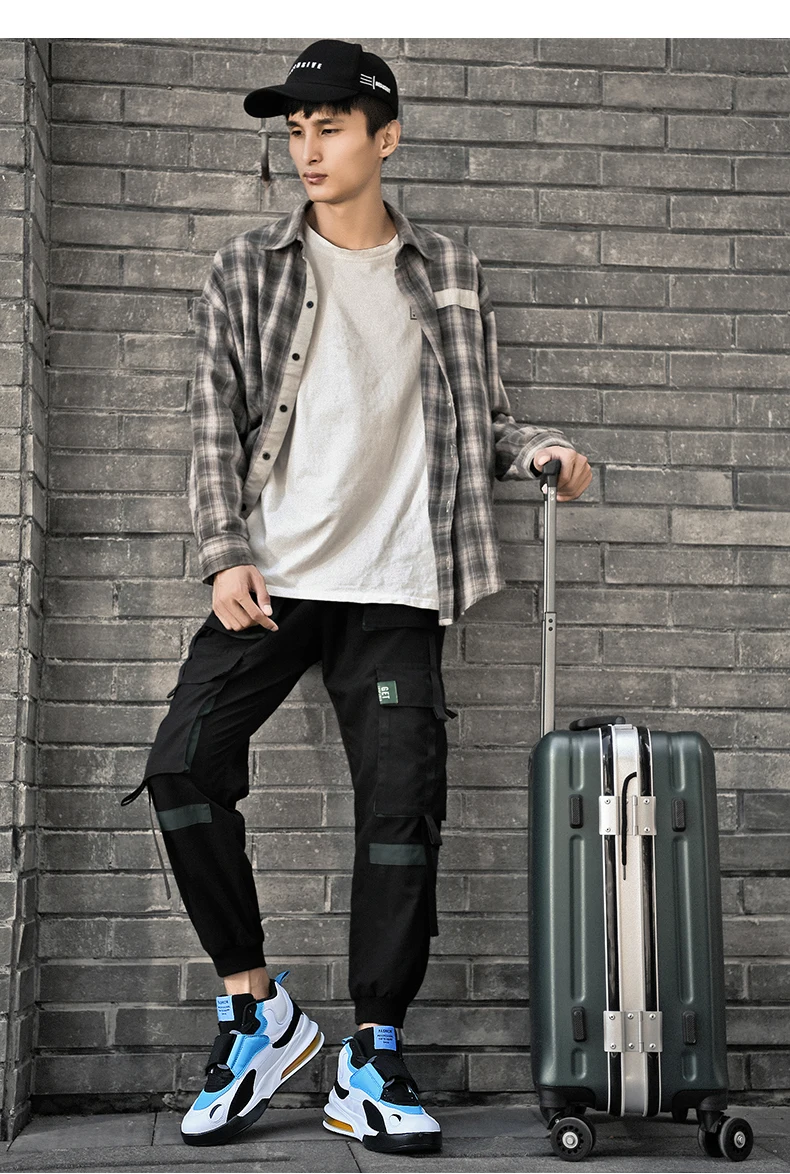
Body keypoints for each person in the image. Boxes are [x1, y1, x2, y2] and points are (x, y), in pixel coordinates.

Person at [121, 38, 591, 1155]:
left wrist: (542, 449)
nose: (308, 148)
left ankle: (372, 1055)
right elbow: (211, 423)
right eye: (296, 129)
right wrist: (223, 551)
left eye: (330, 126)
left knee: (398, 816)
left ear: (387, 138)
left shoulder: (448, 273)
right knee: (182, 765)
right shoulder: (246, 270)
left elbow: (484, 417)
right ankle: (257, 1012)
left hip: (395, 586)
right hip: (272, 580)